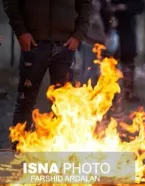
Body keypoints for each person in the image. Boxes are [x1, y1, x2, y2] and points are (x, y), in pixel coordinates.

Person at [3, 0, 92, 149]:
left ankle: (59, 151)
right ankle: (19, 151)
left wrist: (79, 35)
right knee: (25, 101)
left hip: (66, 45)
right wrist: (21, 31)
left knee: (63, 103)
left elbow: (85, 4)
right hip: (33, 43)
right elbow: (10, 3)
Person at [110, 0, 145, 102]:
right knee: (110, 63)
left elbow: (140, 6)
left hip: (127, 29)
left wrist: (125, 7)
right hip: (110, 29)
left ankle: (129, 91)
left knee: (128, 61)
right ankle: (110, 93)